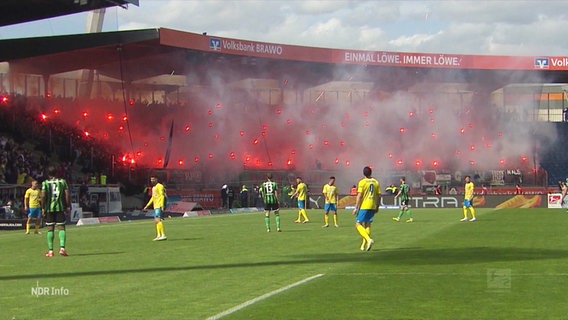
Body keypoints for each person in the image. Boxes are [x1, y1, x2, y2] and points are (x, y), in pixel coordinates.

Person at [41, 165, 71, 257]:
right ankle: (62, 248)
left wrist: (43, 207)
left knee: (50, 228)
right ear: (56, 173)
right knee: (61, 227)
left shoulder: (45, 183)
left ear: (48, 174)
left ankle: (50, 251)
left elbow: (43, 196)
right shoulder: (62, 182)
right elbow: (67, 194)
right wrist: (67, 205)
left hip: (49, 208)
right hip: (60, 207)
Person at [352, 166, 381, 251]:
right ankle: (364, 244)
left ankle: (368, 240)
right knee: (367, 224)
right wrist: (377, 206)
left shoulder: (362, 182)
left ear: (363, 173)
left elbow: (359, 195)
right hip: (372, 205)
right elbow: (379, 196)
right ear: (371, 172)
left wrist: (356, 207)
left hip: (364, 206)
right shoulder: (376, 182)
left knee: (358, 224)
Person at [143, 175, 167, 241]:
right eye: (151, 179)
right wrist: (147, 205)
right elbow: (153, 198)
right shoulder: (153, 188)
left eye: (153, 179)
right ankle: (158, 235)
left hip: (159, 205)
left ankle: (163, 235)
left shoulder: (160, 186)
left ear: (156, 179)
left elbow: (162, 196)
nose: (152, 180)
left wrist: (162, 205)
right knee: (156, 221)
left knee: (158, 220)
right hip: (155, 206)